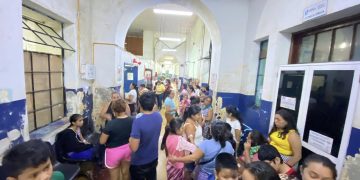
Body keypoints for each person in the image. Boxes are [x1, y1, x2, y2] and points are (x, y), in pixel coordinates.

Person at [169, 120, 235, 180]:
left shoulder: (206, 144)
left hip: (205, 175)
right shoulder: (229, 145)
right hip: (220, 175)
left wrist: (176, 159)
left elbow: (192, 158)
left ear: (212, 132)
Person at [129, 92, 162, 180]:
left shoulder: (138, 121)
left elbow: (134, 148)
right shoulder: (159, 116)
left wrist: (130, 139)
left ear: (139, 104)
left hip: (140, 162)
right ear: (154, 104)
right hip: (153, 157)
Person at [99, 99, 133, 180]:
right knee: (125, 172)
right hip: (128, 149)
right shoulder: (132, 120)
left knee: (115, 176)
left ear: (113, 110)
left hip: (114, 152)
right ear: (125, 108)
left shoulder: (111, 124)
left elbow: (102, 141)